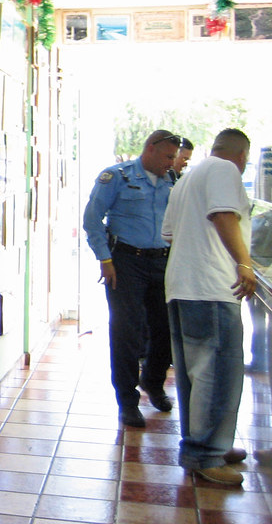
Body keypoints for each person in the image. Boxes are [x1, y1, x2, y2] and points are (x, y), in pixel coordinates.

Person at [161, 128, 257, 485]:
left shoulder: (188, 177)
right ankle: (208, 453)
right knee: (218, 374)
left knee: (196, 375)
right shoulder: (224, 170)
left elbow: (167, 233)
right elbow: (222, 215)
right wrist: (244, 263)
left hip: (183, 285)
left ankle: (210, 444)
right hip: (212, 287)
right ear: (242, 156)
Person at [83, 129, 181, 428]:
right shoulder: (117, 177)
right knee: (127, 331)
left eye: (173, 157)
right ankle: (127, 401)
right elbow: (91, 220)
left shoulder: (173, 181)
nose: (171, 162)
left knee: (164, 329)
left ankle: (153, 382)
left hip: (163, 262)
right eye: (167, 156)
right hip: (125, 262)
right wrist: (105, 259)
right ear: (150, 149)